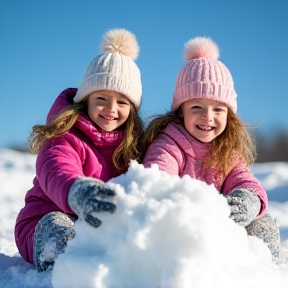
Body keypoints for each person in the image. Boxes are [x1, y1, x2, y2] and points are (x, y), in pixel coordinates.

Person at [14, 28, 143, 272]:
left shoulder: (132, 147)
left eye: (122, 102)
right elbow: (56, 168)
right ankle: (61, 261)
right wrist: (76, 190)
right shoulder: (65, 136)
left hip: (95, 228)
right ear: (86, 99)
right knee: (59, 228)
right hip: (42, 222)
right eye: (102, 98)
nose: (111, 109)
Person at [141, 36, 280, 261]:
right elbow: (157, 179)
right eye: (197, 107)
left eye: (218, 109)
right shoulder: (168, 145)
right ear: (181, 111)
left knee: (262, 222)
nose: (208, 117)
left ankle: (263, 269)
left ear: (228, 115)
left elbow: (245, 180)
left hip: (223, 231)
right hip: (184, 228)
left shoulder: (227, 152)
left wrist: (247, 200)